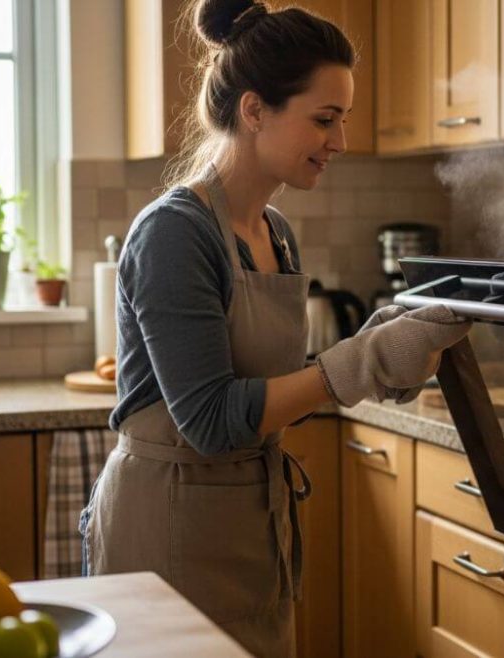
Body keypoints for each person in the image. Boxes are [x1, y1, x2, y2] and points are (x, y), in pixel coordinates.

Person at [79, 1, 471, 655]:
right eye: (324, 119)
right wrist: (362, 361)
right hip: (169, 532)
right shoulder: (174, 232)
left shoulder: (274, 233)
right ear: (255, 110)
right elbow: (209, 418)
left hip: (250, 531)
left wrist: (377, 345)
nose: (340, 142)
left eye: (342, 120)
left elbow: (271, 390)